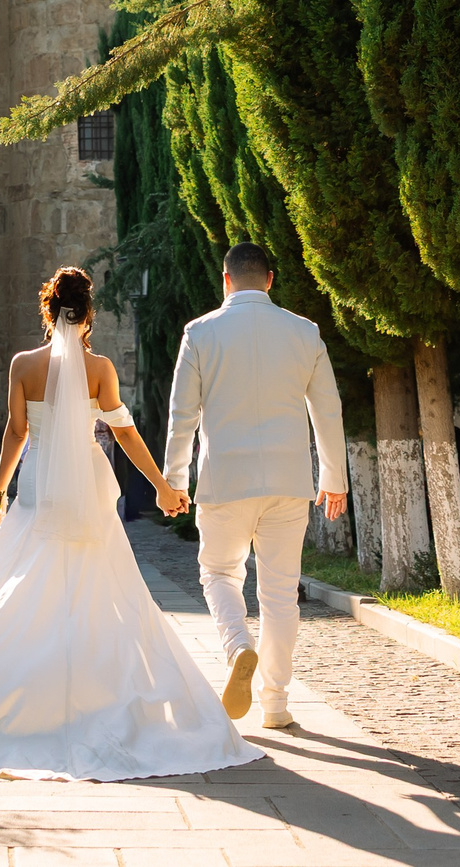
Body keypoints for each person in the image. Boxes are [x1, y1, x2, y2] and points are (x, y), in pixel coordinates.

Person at [0, 267, 264, 780]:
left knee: (19, 584)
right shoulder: (101, 367)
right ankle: (93, 696)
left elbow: (16, 433)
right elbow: (124, 433)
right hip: (86, 483)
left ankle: (16, 698)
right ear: (88, 315)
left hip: (40, 485)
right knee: (106, 591)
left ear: (48, 311)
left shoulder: (23, 365)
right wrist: (162, 486)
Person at [162, 243, 348, 731]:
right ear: (270, 279)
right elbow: (327, 410)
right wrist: (334, 478)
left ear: (225, 281)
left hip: (224, 480)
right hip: (289, 482)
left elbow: (183, 416)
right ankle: (276, 705)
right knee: (281, 595)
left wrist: (174, 480)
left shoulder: (200, 333)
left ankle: (237, 646)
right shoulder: (304, 332)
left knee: (219, 575)